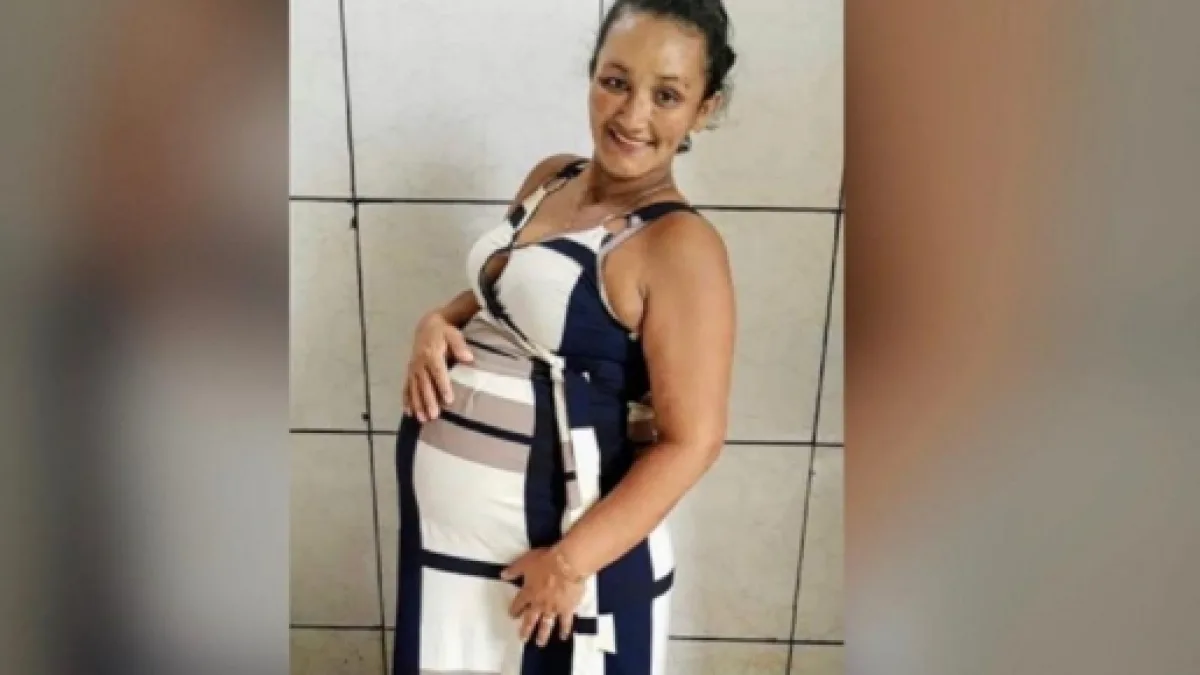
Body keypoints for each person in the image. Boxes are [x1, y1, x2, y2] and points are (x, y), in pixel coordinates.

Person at [392, 1, 737, 672]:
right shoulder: (553, 177)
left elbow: (693, 441)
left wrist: (570, 562)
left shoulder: (680, 246)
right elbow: (506, 295)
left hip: (558, 566)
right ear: (592, 75)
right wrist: (439, 320)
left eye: (666, 95)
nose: (632, 115)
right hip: (456, 554)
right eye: (616, 82)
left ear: (704, 109)